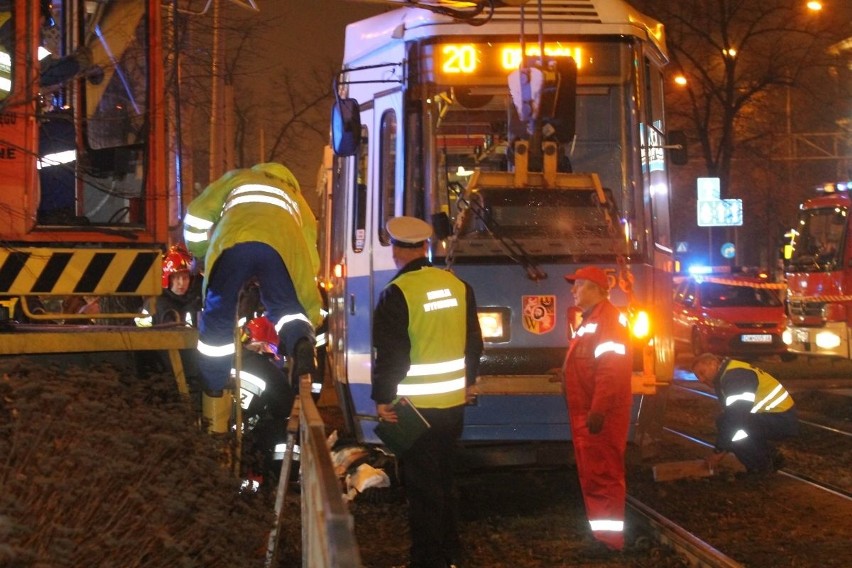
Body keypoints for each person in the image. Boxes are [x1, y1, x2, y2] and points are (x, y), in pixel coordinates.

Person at [371, 216, 483, 568]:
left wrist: (382, 399)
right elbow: (474, 344)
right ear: (425, 247)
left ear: (396, 250)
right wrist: (468, 383)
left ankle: (427, 560)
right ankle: (451, 552)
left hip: (415, 409)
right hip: (453, 407)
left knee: (423, 491)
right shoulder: (458, 286)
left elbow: (392, 356)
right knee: (446, 481)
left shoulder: (397, 293)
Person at [183, 162, 323, 432]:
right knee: (286, 309)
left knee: (219, 315)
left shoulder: (238, 178)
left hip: (236, 243)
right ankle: (300, 346)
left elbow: (197, 214)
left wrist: (198, 251)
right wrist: (309, 321)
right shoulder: (298, 201)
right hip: (279, 252)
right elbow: (310, 261)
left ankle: (214, 387)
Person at [561, 266, 632, 552]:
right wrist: (566, 371)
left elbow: (610, 371)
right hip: (589, 411)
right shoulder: (594, 319)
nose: (573, 290)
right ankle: (602, 536)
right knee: (594, 475)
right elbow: (591, 362)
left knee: (602, 475)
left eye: (578, 285)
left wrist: (598, 410)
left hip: (598, 414)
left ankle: (609, 541)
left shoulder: (607, 320)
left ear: (594, 288)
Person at [691, 353, 798, 476]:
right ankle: (770, 457)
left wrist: (718, 452)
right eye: (698, 377)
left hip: (779, 418)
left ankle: (760, 466)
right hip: (777, 416)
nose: (702, 380)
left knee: (733, 427)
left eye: (702, 373)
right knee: (729, 425)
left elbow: (736, 418)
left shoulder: (735, 377)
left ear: (713, 363)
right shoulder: (731, 373)